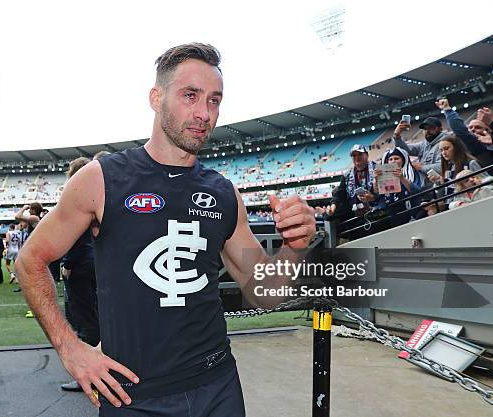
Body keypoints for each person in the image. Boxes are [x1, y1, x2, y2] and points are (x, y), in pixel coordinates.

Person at [16, 43, 315, 416]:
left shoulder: (223, 192)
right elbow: (30, 261)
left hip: (218, 386)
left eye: (214, 100)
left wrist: (294, 247)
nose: (204, 113)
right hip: (133, 396)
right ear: (156, 98)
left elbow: (265, 294)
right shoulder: (101, 179)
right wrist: (69, 348)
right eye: (190, 96)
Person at [60, 154, 105, 392]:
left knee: (84, 317)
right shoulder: (99, 191)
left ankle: (90, 373)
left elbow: (74, 234)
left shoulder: (78, 193)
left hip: (80, 264)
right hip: (95, 262)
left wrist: (67, 262)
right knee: (95, 314)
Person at [435, 99, 493, 170]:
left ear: (488, 131)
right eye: (470, 127)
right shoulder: (472, 147)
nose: (473, 129)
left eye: (478, 127)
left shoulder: (481, 146)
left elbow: (460, 130)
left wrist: (448, 109)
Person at [372, 147, 424, 226]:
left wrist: (402, 178)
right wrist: (376, 180)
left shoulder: (412, 172)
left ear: (403, 160)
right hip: (393, 215)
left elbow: (417, 191)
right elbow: (377, 195)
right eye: (390, 159)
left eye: (396, 158)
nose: (393, 161)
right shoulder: (384, 176)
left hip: (412, 213)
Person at [325, 144, 377, 221]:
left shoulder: (377, 169)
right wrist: (333, 206)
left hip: (377, 212)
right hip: (357, 215)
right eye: (354, 155)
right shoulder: (347, 175)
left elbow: (387, 193)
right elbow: (339, 193)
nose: (357, 157)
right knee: (328, 216)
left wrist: (373, 198)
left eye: (360, 154)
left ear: (367, 155)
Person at [392, 115, 446, 187]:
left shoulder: (446, 143)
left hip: (440, 187)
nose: (427, 131)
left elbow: (443, 167)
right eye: (425, 129)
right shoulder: (425, 144)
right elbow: (405, 150)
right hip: (427, 188)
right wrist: (397, 135)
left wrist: (422, 167)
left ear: (440, 129)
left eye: (431, 128)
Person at [428, 135, 482, 201]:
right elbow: (448, 190)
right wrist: (439, 182)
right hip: (452, 205)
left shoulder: (470, 163)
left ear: (456, 148)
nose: (443, 153)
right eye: (441, 150)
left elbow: (485, 182)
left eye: (446, 148)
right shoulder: (448, 168)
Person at [14, 203, 43, 317]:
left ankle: (36, 309)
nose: (29, 210)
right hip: (34, 251)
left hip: (35, 253)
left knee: (33, 282)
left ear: (34, 210)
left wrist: (24, 208)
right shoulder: (34, 219)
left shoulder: (34, 218)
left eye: (30, 209)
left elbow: (17, 216)